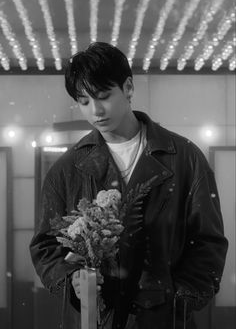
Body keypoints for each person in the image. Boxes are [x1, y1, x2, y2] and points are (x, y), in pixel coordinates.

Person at [30, 42, 228, 329]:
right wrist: (72, 280)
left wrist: (178, 300)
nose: (96, 110)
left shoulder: (184, 157)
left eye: (104, 96)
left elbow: (209, 243)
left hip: (166, 317)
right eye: (84, 101)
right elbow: (46, 245)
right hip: (97, 317)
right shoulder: (67, 168)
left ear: (129, 88)